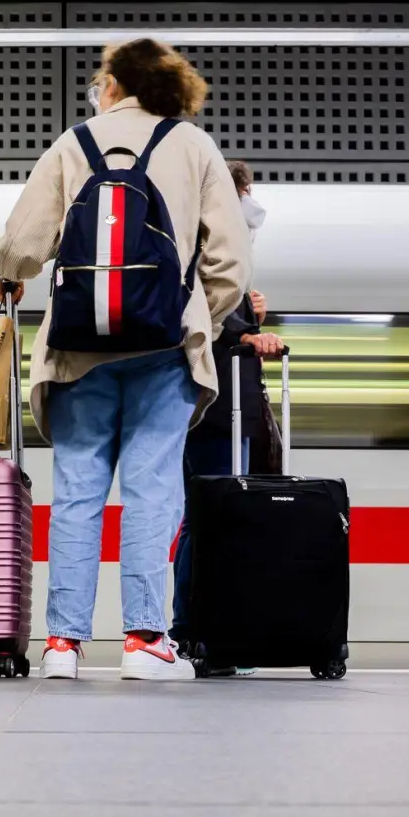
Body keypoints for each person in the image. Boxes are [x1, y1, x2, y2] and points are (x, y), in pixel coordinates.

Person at [0, 38, 250, 680]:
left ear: (113, 83)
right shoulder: (194, 146)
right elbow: (230, 265)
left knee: (78, 491)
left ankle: (63, 647)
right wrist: (196, 320)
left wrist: (9, 274)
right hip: (166, 350)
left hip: (78, 349)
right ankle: (144, 643)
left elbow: (21, 246)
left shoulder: (72, 143)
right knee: (151, 489)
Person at [168, 160, 284, 675]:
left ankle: (202, 630)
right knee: (210, 519)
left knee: (208, 519)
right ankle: (198, 633)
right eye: (245, 194)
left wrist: (251, 319)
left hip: (222, 409)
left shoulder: (216, 257)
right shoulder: (203, 250)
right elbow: (198, 324)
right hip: (215, 411)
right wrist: (245, 335)